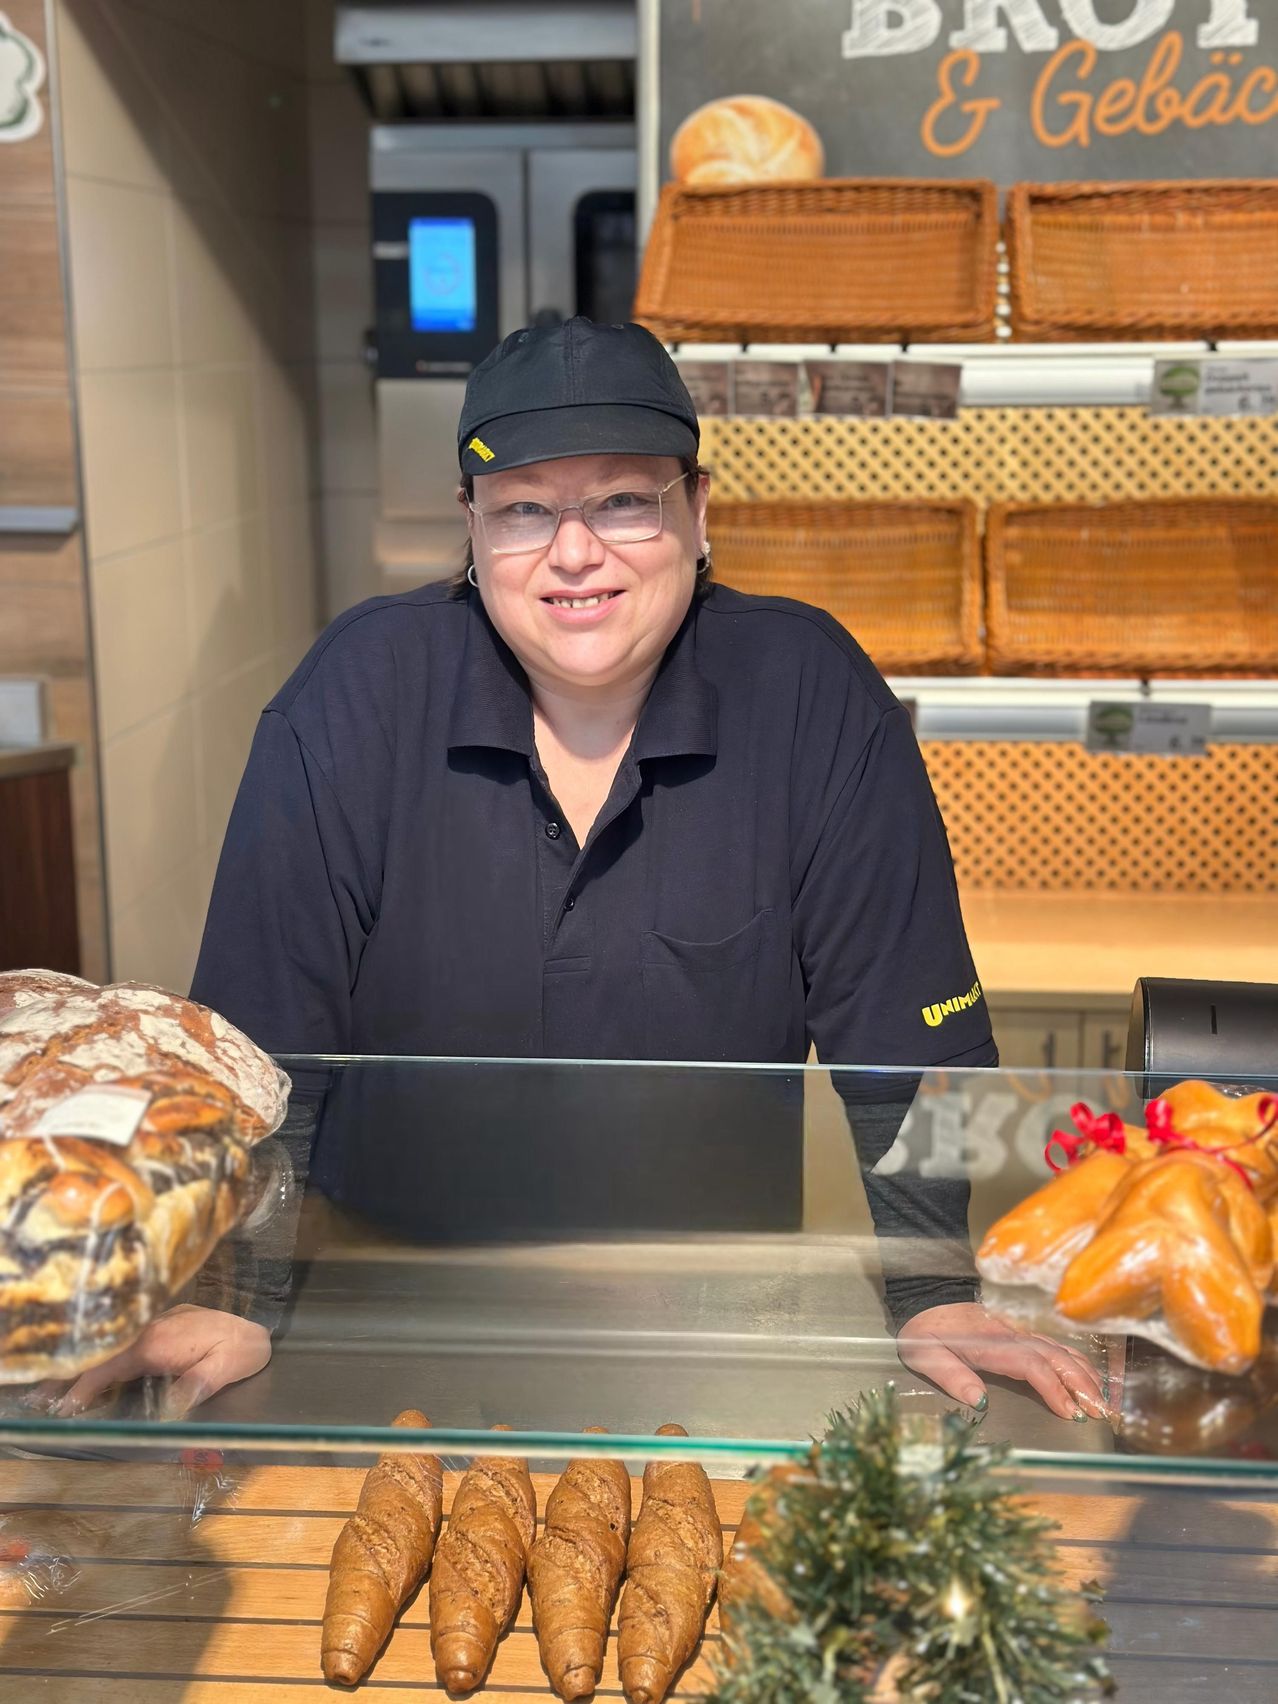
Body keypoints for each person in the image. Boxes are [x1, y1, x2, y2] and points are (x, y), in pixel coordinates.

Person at [59, 319, 1103, 1423]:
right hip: (382, 1290)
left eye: (621, 501)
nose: (572, 553)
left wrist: (934, 1287)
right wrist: (239, 1293)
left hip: (710, 1305)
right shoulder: (357, 696)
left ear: (698, 514)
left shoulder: (809, 695)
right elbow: (258, 1045)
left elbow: (915, 1038)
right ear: (470, 529)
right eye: (524, 509)